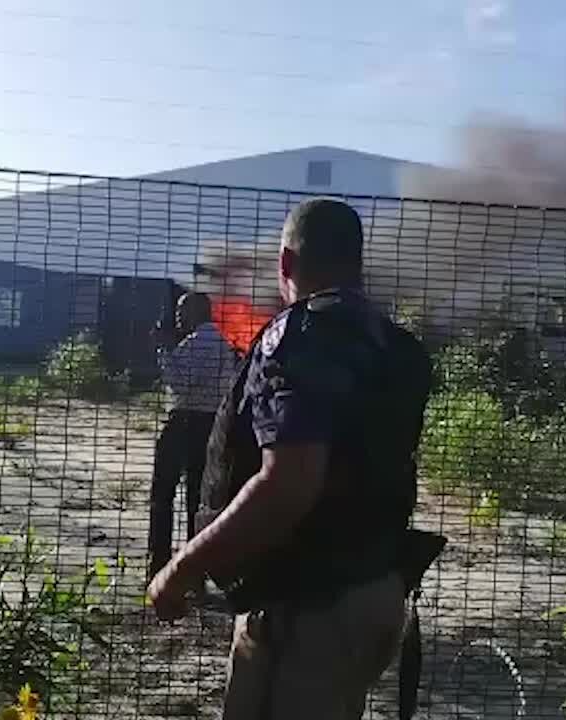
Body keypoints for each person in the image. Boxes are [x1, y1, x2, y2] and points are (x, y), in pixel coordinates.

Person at [146, 198, 444, 720]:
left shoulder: (297, 339)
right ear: (357, 261)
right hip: (373, 590)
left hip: (308, 610)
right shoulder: (392, 345)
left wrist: (181, 568)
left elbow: (289, 483)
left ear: (286, 263)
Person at [147, 290, 240, 582]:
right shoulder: (222, 343)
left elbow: (181, 384)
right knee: (196, 500)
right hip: (211, 426)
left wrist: (164, 351)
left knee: (162, 494)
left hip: (185, 422)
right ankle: (194, 572)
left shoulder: (199, 343)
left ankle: (159, 564)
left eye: (181, 310)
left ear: (197, 312)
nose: (177, 316)